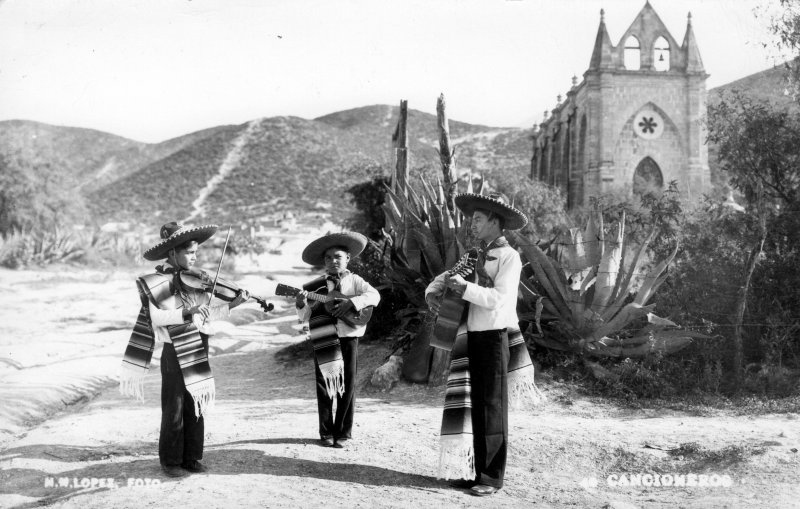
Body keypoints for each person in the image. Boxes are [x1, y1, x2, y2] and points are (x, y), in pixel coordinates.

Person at [119, 222, 249, 477]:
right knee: (175, 404)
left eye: (195, 253)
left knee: (195, 400)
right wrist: (186, 312)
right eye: (189, 252)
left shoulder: (196, 281)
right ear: (172, 254)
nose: (195, 257)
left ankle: (191, 457)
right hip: (174, 348)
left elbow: (207, 315)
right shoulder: (156, 282)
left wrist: (233, 304)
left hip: (199, 343)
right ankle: (170, 461)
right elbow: (157, 317)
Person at [425, 192, 527, 497]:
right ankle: (477, 474)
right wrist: (434, 290)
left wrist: (464, 287)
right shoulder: (473, 256)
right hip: (473, 338)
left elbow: (499, 299)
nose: (473, 224)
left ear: (495, 221)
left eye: (479, 219)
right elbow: (446, 277)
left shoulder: (509, 257)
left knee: (493, 407)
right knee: (478, 406)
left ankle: (492, 477)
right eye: (473, 219)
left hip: (495, 338)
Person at [295, 232, 380, 449]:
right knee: (324, 384)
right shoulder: (314, 287)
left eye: (338, 256)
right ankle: (326, 431)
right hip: (324, 337)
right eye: (328, 257)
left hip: (348, 336)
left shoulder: (355, 281)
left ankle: (343, 432)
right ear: (324, 262)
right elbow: (304, 316)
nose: (333, 261)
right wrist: (300, 303)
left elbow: (374, 296)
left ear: (348, 259)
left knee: (347, 383)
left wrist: (352, 304)